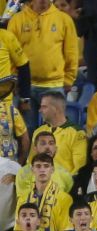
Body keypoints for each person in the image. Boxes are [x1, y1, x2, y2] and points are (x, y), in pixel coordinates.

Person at [8, 0, 78, 132]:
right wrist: (15, 80)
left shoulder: (64, 20)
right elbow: (11, 54)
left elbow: (71, 52)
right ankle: (28, 154)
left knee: (57, 129)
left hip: (54, 85)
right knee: (25, 130)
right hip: (25, 87)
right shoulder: (17, 20)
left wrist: (69, 79)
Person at [16, 153, 72, 231]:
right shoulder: (23, 199)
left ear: (52, 169)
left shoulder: (64, 198)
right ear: (32, 169)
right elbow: (18, 230)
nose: (42, 170)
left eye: (46, 166)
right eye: (38, 166)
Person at [31, 91, 86, 176]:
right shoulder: (38, 132)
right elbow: (30, 164)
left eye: (44, 107)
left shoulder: (77, 133)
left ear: (55, 109)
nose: (40, 110)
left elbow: (80, 169)